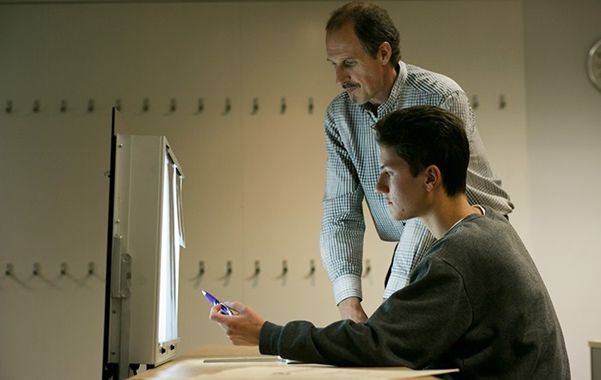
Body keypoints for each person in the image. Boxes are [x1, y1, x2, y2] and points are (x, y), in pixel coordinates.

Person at [209, 106, 570, 379]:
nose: (379, 188)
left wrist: (267, 334)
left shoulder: (458, 257)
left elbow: (377, 345)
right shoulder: (487, 227)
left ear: (431, 178)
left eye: (390, 173)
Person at [321, 1, 514, 322]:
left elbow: (428, 204)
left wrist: (390, 305)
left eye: (349, 63)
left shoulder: (440, 96)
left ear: (383, 53)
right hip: (420, 245)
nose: (339, 77)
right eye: (333, 64)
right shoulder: (339, 115)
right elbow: (339, 214)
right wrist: (348, 304)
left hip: (474, 241)